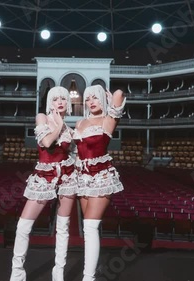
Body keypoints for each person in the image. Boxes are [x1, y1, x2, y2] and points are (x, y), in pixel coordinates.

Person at [10, 86, 78, 281]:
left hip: (67, 176)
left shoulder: (69, 129)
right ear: (50, 102)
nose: (60, 102)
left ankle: (59, 274)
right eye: (56, 98)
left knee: (63, 228)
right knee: (23, 226)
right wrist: (58, 125)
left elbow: (73, 152)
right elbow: (47, 143)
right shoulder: (42, 118)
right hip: (44, 175)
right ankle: (17, 275)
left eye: (63, 98)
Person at [73, 85, 125, 281]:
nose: (91, 101)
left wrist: (112, 99)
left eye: (95, 97)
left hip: (101, 176)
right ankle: (90, 273)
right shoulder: (80, 122)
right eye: (88, 98)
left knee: (91, 226)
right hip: (82, 179)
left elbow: (120, 94)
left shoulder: (108, 120)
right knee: (87, 229)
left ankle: (89, 278)